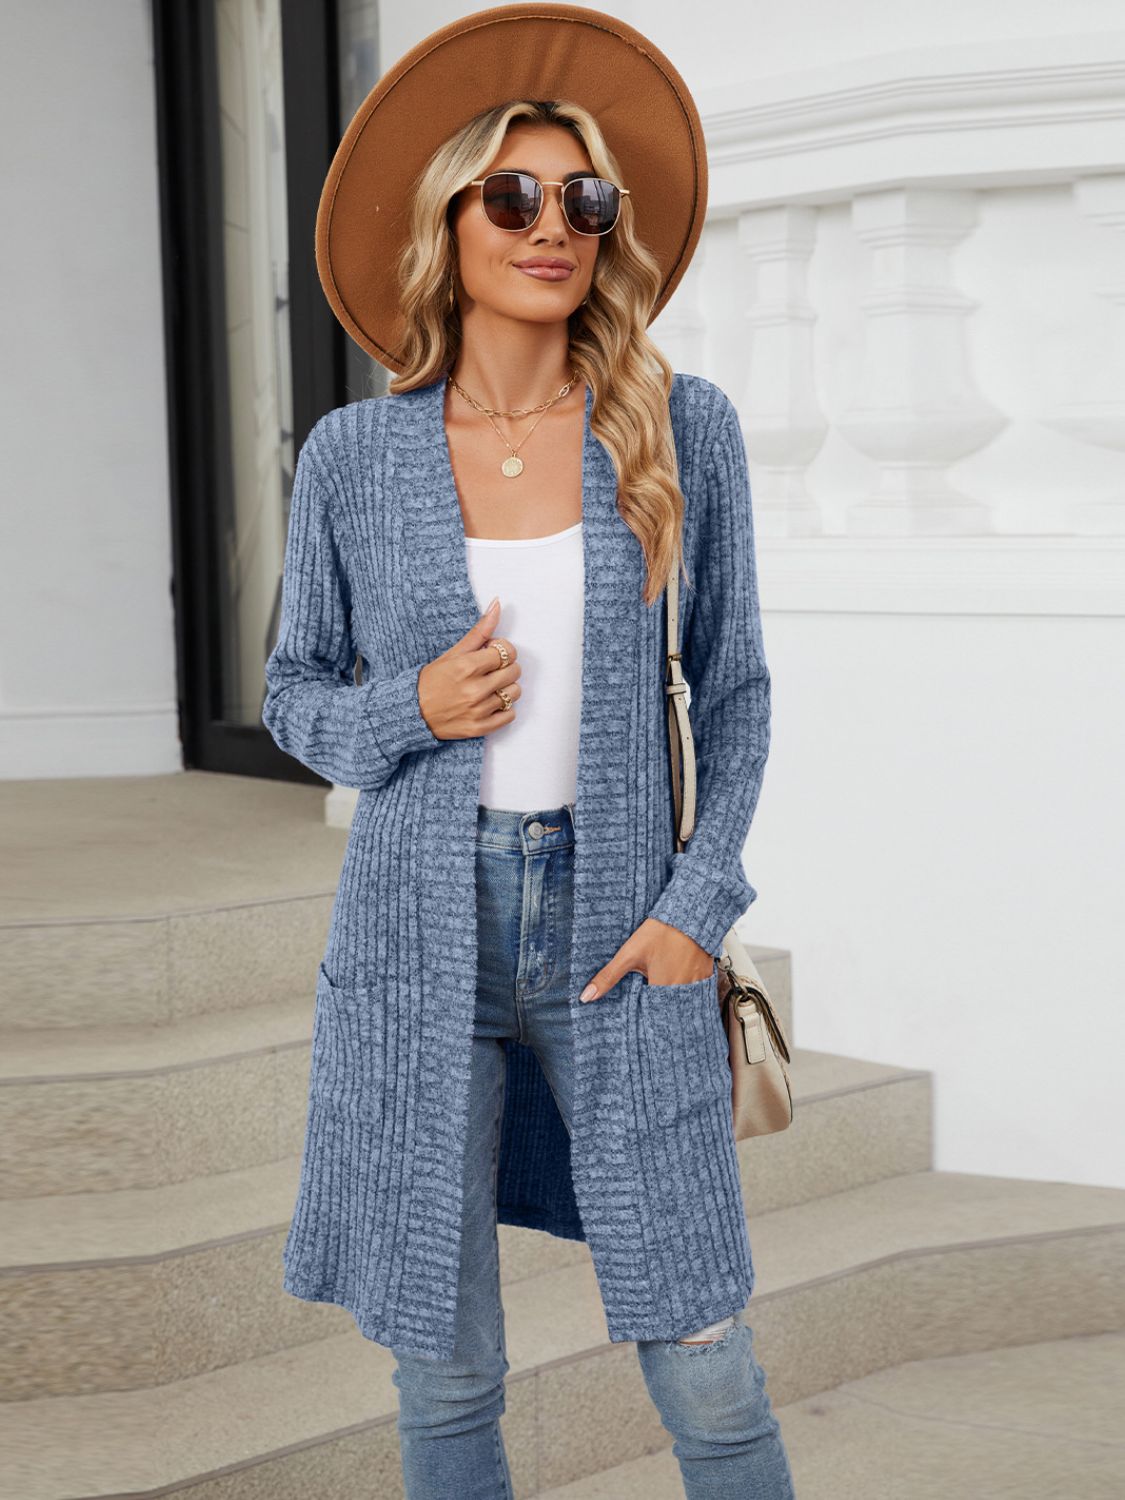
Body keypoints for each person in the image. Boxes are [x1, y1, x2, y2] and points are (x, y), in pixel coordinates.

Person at [262, 7, 795, 1497]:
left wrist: (698, 909)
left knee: (706, 1351)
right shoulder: (354, 457)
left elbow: (736, 690)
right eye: (511, 195)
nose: (550, 226)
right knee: (442, 1373)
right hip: (413, 939)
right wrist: (410, 711)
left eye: (583, 199)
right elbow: (293, 695)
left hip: (622, 929)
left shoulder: (676, 428)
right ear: (449, 222)